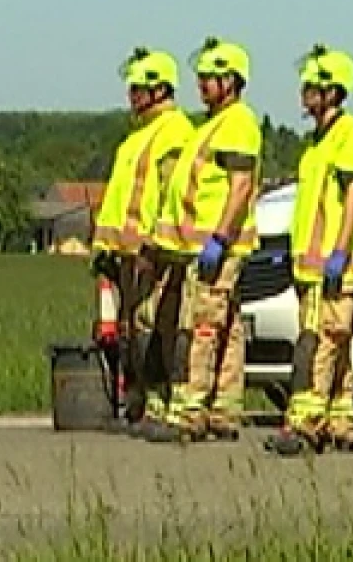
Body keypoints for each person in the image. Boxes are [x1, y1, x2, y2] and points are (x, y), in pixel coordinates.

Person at [145, 38, 263, 444]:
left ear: (230, 81)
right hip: (204, 244)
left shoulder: (238, 123)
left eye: (209, 78)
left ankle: (191, 410)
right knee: (226, 326)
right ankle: (224, 409)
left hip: (217, 245)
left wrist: (220, 238)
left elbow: (241, 185)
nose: (201, 84)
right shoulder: (212, 125)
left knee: (201, 326)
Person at [268, 45, 353, 457]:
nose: (303, 92)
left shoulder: (349, 137)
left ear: (332, 91)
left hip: (332, 262)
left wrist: (340, 252)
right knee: (337, 340)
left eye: (311, 86)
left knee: (318, 341)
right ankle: (341, 419)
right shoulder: (318, 142)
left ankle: (305, 422)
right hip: (311, 264)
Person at [90, 48, 196, 432]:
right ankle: (135, 403)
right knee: (130, 329)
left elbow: (173, 195)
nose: (131, 95)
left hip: (152, 251)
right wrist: (104, 247)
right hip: (127, 255)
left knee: (154, 328)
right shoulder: (134, 139)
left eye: (138, 88)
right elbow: (119, 199)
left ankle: (157, 402)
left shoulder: (176, 132)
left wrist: (157, 244)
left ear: (160, 90)